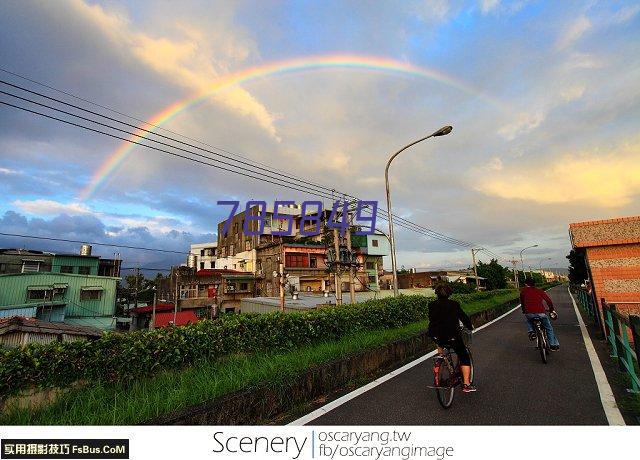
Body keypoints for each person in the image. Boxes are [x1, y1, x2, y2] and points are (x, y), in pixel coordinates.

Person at [427, 284, 476, 393]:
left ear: (436, 294)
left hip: (435, 335)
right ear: (449, 293)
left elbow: (433, 319)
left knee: (439, 340)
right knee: (463, 355)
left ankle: (440, 357)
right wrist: (469, 326)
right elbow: (463, 317)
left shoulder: (431, 305)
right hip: (452, 336)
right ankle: (467, 384)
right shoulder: (454, 304)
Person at [520, 277, 560, 351]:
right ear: (534, 284)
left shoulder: (523, 292)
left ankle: (531, 331)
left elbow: (522, 303)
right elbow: (548, 300)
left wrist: (524, 311)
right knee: (549, 328)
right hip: (541, 313)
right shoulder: (539, 291)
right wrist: (551, 309)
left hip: (529, 313)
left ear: (526, 284)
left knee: (528, 320)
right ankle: (552, 345)